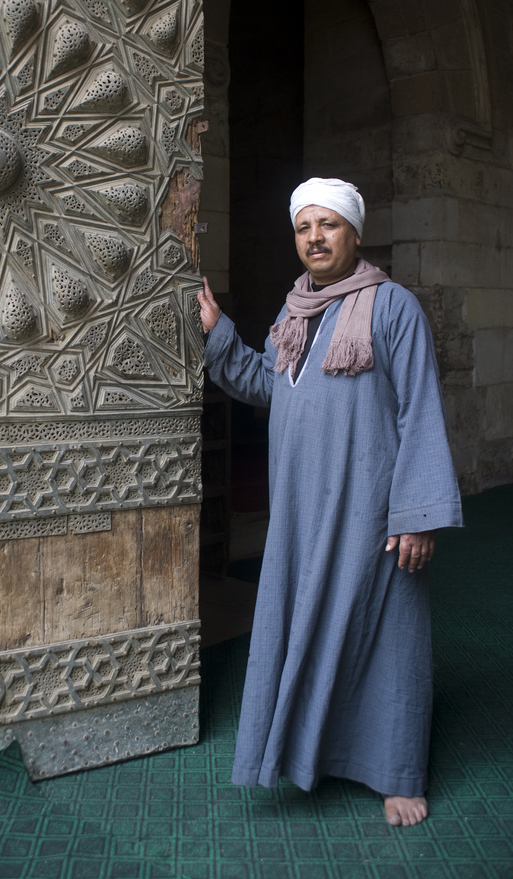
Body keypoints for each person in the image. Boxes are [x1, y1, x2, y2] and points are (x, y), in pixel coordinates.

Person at [197, 177, 462, 827]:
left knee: (386, 634)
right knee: (307, 627)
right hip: (299, 512)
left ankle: (396, 774)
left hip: (370, 508)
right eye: (303, 227)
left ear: (354, 232)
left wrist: (416, 512)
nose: (315, 237)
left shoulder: (391, 306)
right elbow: (269, 383)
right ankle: (313, 755)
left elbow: (420, 406)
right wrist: (219, 333)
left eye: (329, 224)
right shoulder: (294, 315)